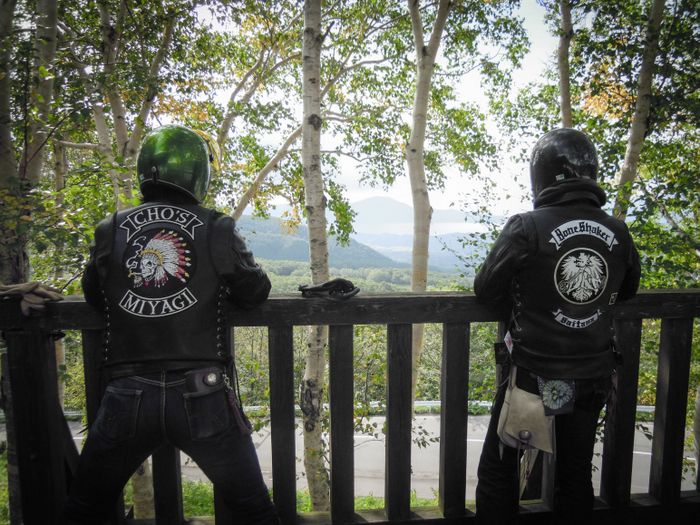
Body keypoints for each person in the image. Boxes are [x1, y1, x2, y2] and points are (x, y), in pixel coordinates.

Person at [64, 125, 278, 524]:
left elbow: (95, 295)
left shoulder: (111, 228)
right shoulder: (216, 226)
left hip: (126, 393)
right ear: (197, 173)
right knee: (254, 510)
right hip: (201, 394)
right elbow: (254, 291)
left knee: (83, 509)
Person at [473, 128, 641, 524]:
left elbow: (486, 288)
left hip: (537, 376)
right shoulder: (617, 231)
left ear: (541, 175)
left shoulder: (527, 227)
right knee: (574, 474)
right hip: (592, 375)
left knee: (500, 469)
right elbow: (628, 289)